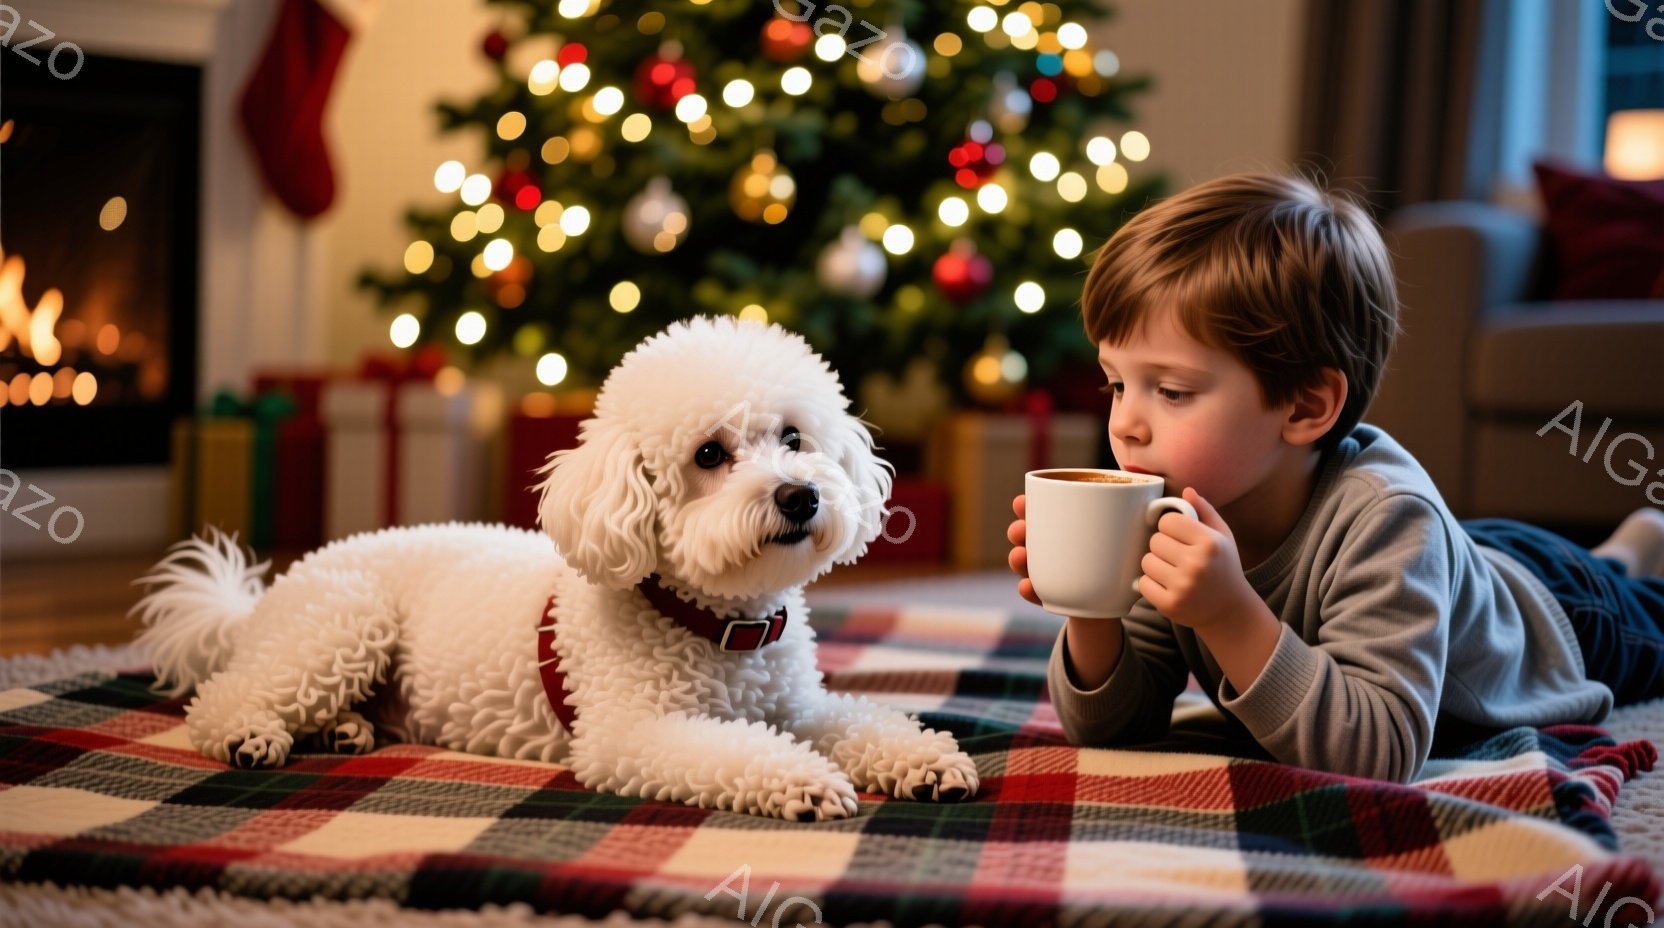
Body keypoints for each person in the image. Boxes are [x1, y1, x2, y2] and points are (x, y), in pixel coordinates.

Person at [1006, 171, 1664, 783]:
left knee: (1642, 615)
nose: (1125, 424)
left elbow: (1380, 754)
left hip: (1562, 610)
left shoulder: (1387, 516)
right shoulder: (1172, 509)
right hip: (1455, 563)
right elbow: (1118, 729)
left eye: (1172, 391)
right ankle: (1623, 549)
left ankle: (1622, 560)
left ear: (1304, 406)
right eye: (1117, 384)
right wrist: (1091, 610)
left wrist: (1230, 614)